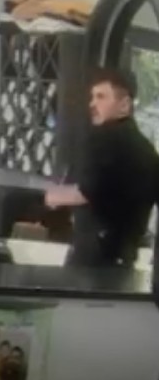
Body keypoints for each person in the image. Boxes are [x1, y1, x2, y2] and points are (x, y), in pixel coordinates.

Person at [44, 67, 159, 267]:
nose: (92, 104)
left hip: (93, 258)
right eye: (93, 97)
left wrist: (52, 196)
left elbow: (87, 191)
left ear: (124, 105)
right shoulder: (148, 152)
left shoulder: (104, 139)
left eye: (101, 97)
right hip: (126, 258)